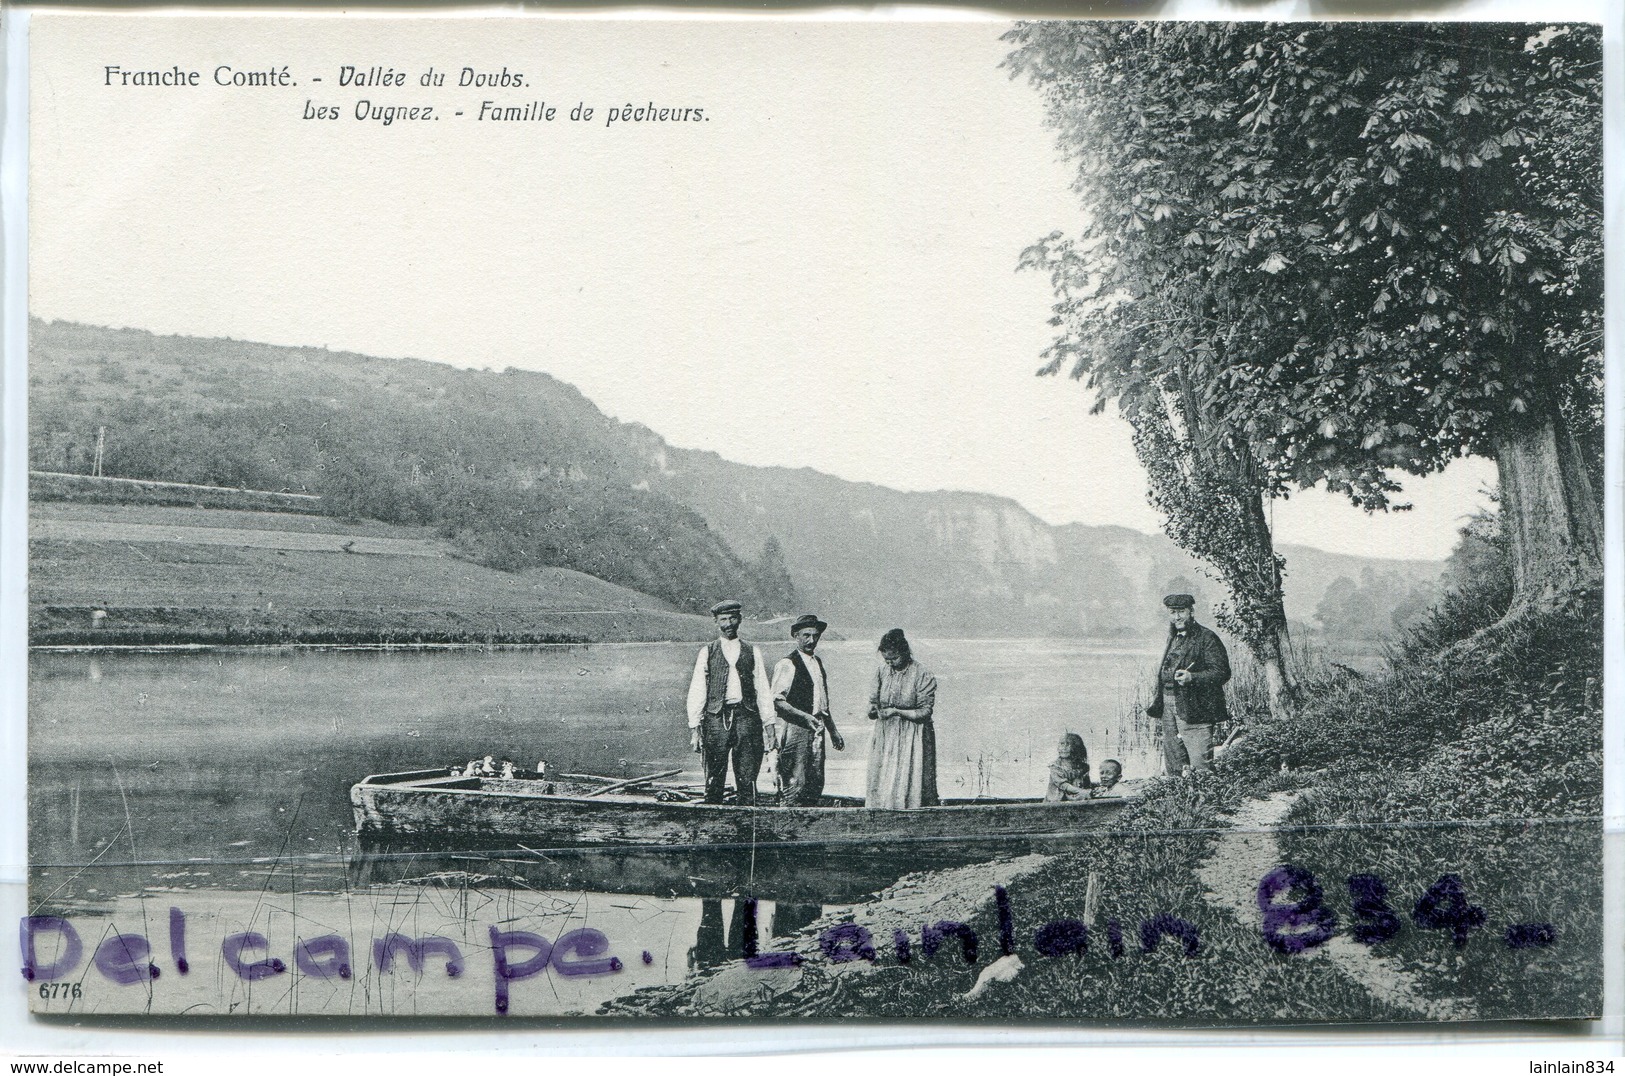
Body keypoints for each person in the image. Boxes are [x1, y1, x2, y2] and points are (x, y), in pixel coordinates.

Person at [685, 599, 775, 805]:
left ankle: (745, 818)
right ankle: (713, 818)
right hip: (716, 719)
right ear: (716, 622)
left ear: (740, 620)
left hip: (747, 718)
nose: (728, 624)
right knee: (714, 776)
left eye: (733, 618)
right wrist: (694, 729)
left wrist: (770, 728)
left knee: (747, 774)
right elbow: (698, 690)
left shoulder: (753, 651)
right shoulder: (707, 651)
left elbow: (763, 691)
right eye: (723, 619)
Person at [1145, 593, 1231, 776]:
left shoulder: (1207, 638)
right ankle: (1178, 798)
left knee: (1201, 764)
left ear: (1191, 612)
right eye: (1172, 612)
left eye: (1181, 612)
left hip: (1196, 707)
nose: (1177, 617)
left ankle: (1207, 799)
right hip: (1168, 706)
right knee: (1174, 761)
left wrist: (1193, 677)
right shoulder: (1173, 637)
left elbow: (1222, 672)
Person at [771, 613, 845, 806]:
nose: (811, 640)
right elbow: (777, 701)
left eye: (815, 635)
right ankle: (788, 816)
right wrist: (804, 717)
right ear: (796, 636)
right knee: (794, 778)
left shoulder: (817, 663)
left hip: (817, 728)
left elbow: (822, 704)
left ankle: (809, 818)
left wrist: (833, 732)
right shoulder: (787, 664)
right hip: (796, 729)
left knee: (815, 778)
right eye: (806, 635)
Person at [864, 628, 939, 809]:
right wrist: (873, 711)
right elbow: (873, 702)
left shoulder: (922, 674)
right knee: (883, 777)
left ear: (904, 652)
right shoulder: (882, 671)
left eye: (894, 658)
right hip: (886, 734)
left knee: (910, 779)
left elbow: (925, 712)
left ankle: (911, 812)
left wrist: (896, 711)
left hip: (913, 736)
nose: (890, 663)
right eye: (886, 659)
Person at [1045, 733, 1092, 801]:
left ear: (1076, 747)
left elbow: (1086, 784)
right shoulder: (1055, 767)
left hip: (1076, 796)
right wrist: (1081, 791)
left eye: (1068, 744)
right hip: (1058, 799)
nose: (1064, 748)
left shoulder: (1083, 767)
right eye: (1062, 744)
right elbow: (1063, 785)